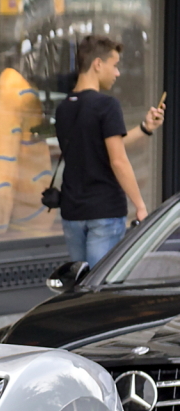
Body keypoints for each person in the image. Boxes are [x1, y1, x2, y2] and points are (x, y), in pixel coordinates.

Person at [55, 35, 165, 267]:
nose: (117, 73)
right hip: (104, 211)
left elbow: (98, 146)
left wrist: (145, 128)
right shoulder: (106, 105)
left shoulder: (64, 107)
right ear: (97, 64)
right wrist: (140, 205)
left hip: (72, 212)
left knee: (80, 287)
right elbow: (118, 160)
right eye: (114, 65)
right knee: (100, 288)